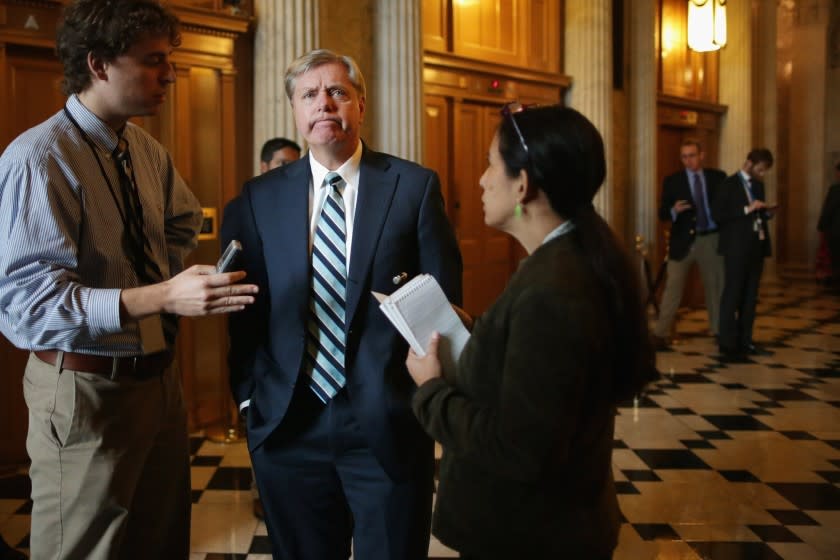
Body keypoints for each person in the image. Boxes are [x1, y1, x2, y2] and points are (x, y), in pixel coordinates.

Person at [0, 1, 258, 558]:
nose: (169, 73)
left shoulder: (144, 148)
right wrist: (162, 294)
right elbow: (27, 306)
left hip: (158, 380)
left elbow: (184, 219)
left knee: (160, 541)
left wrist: (147, 275)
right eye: (153, 60)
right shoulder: (39, 158)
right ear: (98, 65)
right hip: (85, 388)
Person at [221, 49, 462, 560]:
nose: (323, 104)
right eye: (309, 94)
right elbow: (245, 313)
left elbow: (442, 304)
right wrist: (249, 400)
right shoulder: (257, 198)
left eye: (337, 92)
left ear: (360, 104)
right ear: (294, 109)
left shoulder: (413, 187)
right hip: (288, 426)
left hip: (386, 423)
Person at [406, 104, 658, 559]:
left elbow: (519, 448)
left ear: (523, 184)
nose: (482, 180)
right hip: (546, 525)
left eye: (491, 164)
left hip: (529, 534)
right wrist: (477, 330)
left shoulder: (554, 289)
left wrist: (430, 390)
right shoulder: (568, 260)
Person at [250, 137, 303, 520]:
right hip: (270, 368)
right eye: (283, 164)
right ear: (265, 165)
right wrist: (246, 395)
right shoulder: (248, 204)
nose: (292, 172)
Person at [651, 140, 726, 349]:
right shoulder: (673, 181)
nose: (688, 161)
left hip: (711, 238)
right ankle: (660, 333)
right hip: (682, 240)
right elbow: (662, 213)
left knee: (715, 286)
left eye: (692, 155)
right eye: (684, 157)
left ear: (702, 155)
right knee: (673, 287)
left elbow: (727, 205)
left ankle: (719, 330)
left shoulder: (717, 177)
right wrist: (674, 209)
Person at [711, 148, 775, 357]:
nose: (763, 173)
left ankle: (745, 340)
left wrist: (766, 213)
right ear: (749, 163)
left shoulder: (758, 185)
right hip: (735, 247)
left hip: (756, 246)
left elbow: (757, 215)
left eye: (765, 170)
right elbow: (719, 215)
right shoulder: (728, 184)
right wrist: (747, 209)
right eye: (761, 169)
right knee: (733, 293)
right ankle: (727, 342)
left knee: (750, 296)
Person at [817, 162, 840, 288]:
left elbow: (829, 209)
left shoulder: (836, 189)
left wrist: (821, 226)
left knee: (836, 260)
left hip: (836, 232)